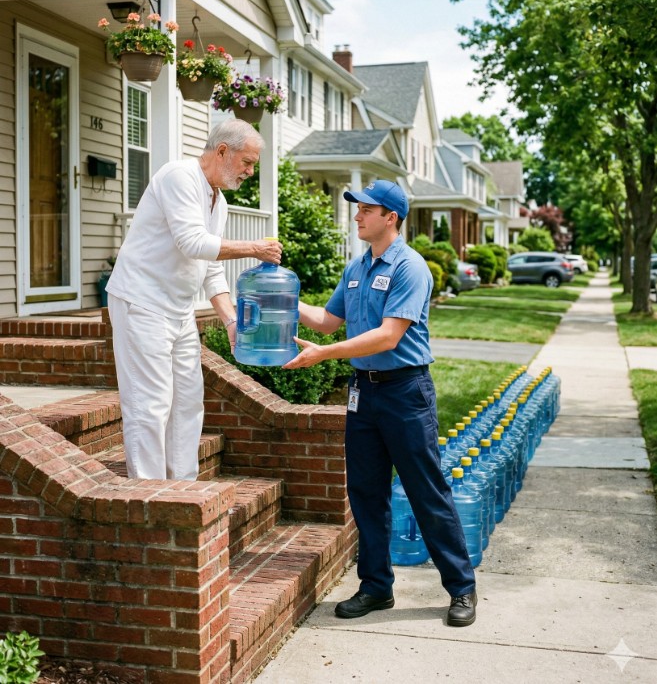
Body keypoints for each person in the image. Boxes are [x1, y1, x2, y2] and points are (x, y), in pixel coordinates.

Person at [283, 179, 477, 627]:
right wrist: (278, 296)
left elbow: (389, 335)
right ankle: (375, 587)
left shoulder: (411, 268)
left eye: (365, 209)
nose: (356, 215)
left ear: (390, 217)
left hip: (405, 392)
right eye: (357, 208)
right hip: (363, 394)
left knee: (426, 491)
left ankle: (462, 589)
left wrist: (322, 355)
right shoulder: (356, 268)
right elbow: (329, 321)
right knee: (366, 493)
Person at [107, 119, 282, 481]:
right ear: (222, 151)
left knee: (187, 400)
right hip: (142, 302)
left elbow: (210, 267)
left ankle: (183, 487)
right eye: (247, 162)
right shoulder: (179, 177)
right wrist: (254, 249)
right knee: (149, 403)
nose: (250, 171)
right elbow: (193, 243)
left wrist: (231, 320)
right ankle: (150, 494)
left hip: (179, 310)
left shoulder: (220, 203)